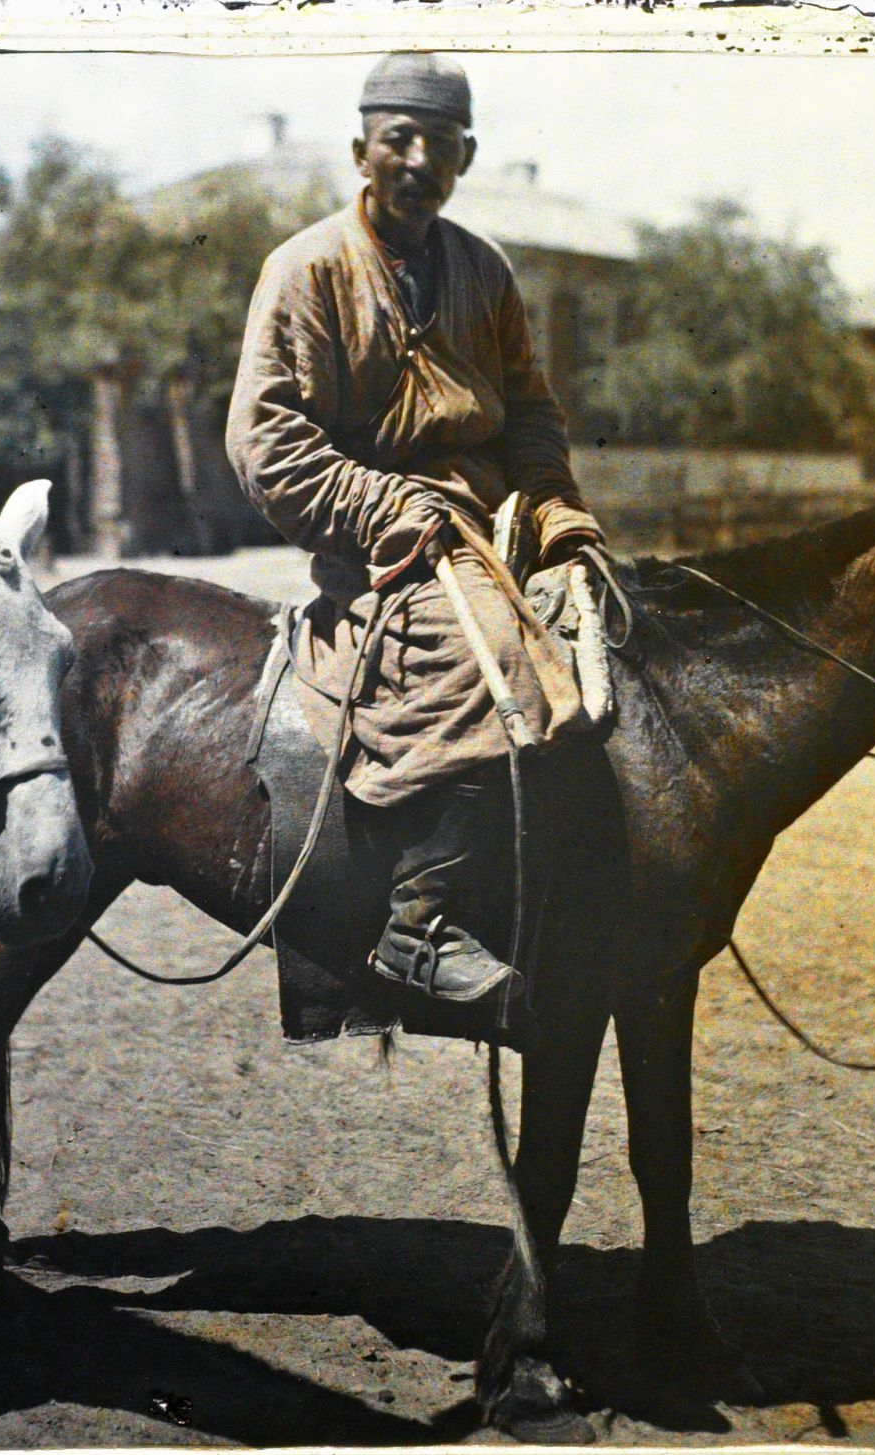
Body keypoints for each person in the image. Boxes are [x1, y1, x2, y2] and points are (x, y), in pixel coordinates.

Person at [226, 52, 608, 1006]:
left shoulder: (484, 269)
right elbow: (265, 439)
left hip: (492, 525)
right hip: (380, 544)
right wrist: (385, 506)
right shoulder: (306, 267)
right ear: (361, 150)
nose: (419, 160)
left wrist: (558, 508)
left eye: (441, 144)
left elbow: (529, 412)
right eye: (399, 139)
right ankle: (420, 922)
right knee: (495, 660)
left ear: (466, 157)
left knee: (611, 630)